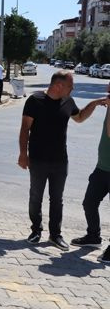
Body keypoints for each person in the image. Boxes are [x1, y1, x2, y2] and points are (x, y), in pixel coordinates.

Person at [18, 70, 108, 251]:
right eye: (70, 86)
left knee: (57, 199)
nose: (73, 89)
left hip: (60, 160)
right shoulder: (35, 100)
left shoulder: (68, 102)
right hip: (38, 159)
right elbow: (24, 129)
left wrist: (95, 103)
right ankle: (36, 230)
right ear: (59, 85)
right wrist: (23, 154)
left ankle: (55, 234)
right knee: (36, 196)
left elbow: (80, 117)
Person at [71, 82, 110, 263]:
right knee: (89, 202)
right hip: (102, 168)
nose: (108, 88)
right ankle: (93, 236)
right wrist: (96, 104)